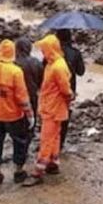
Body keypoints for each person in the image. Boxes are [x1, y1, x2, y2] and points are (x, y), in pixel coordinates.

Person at [0, 40, 33, 185]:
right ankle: (18, 171)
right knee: (19, 142)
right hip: (14, 115)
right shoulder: (15, 71)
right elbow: (22, 96)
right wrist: (29, 114)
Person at [23, 34, 74, 187]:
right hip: (52, 106)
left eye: (44, 50)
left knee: (46, 139)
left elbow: (65, 90)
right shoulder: (54, 64)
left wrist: (69, 97)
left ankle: (38, 171)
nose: (42, 52)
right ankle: (53, 162)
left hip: (53, 108)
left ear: (50, 49)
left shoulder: (57, 67)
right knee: (55, 136)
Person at [54, 29, 85, 148]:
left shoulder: (52, 52)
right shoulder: (75, 53)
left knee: (52, 115)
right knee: (65, 114)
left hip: (53, 89)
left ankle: (52, 140)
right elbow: (81, 72)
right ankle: (60, 142)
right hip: (69, 89)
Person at [15, 38, 44, 117]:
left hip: (16, 97)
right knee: (32, 118)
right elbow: (42, 81)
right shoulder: (36, 62)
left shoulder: (13, 63)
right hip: (32, 94)